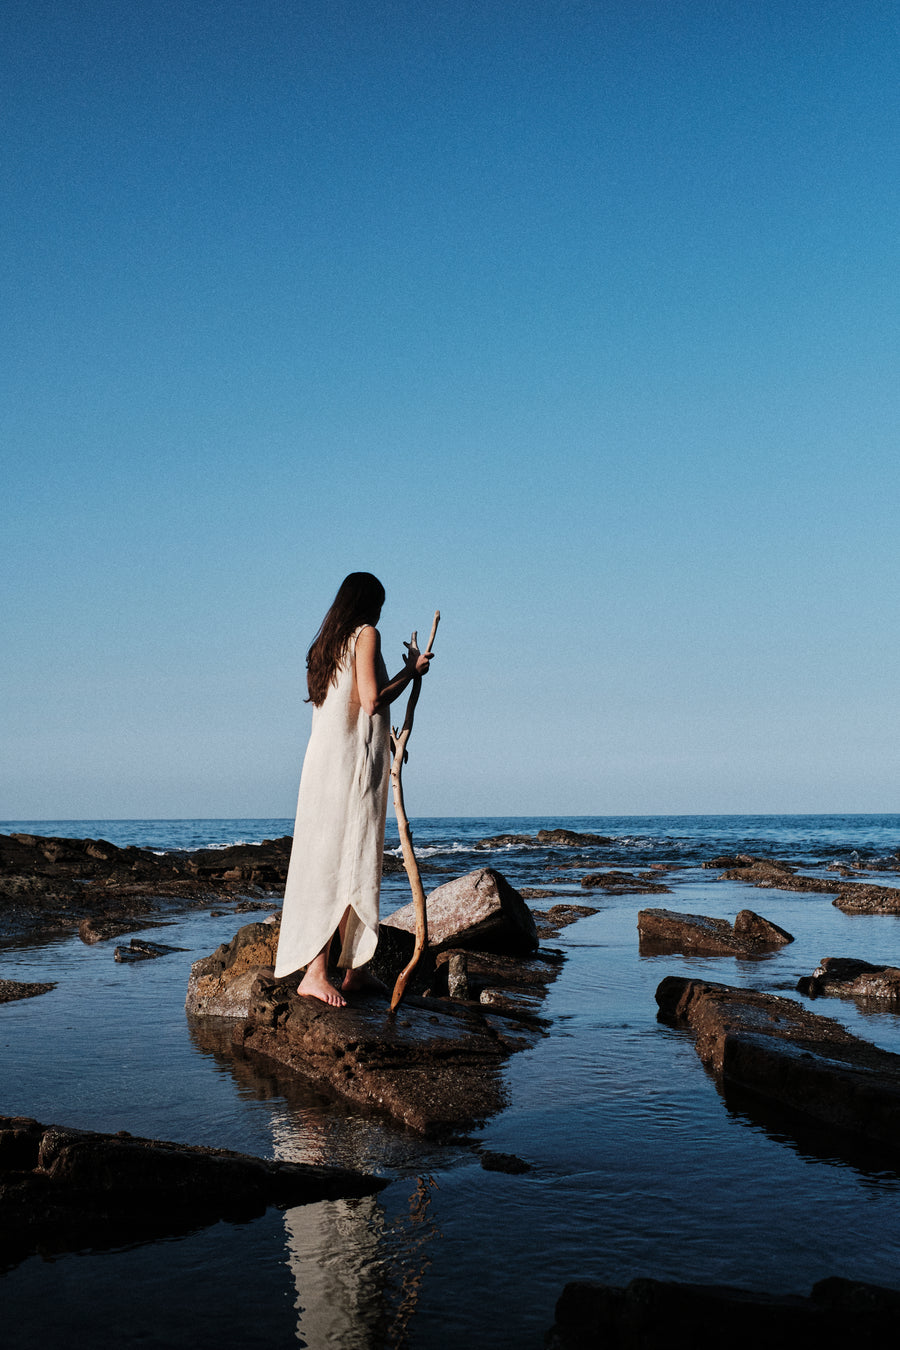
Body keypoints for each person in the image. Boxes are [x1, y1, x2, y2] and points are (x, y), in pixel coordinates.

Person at [273, 572, 433, 1006]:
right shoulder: (366, 634)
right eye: (379, 603)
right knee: (347, 861)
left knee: (337, 861)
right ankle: (316, 972)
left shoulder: (327, 645)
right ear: (368, 604)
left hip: (323, 766)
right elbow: (371, 699)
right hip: (350, 770)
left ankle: (354, 972)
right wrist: (411, 670)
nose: (381, 612)